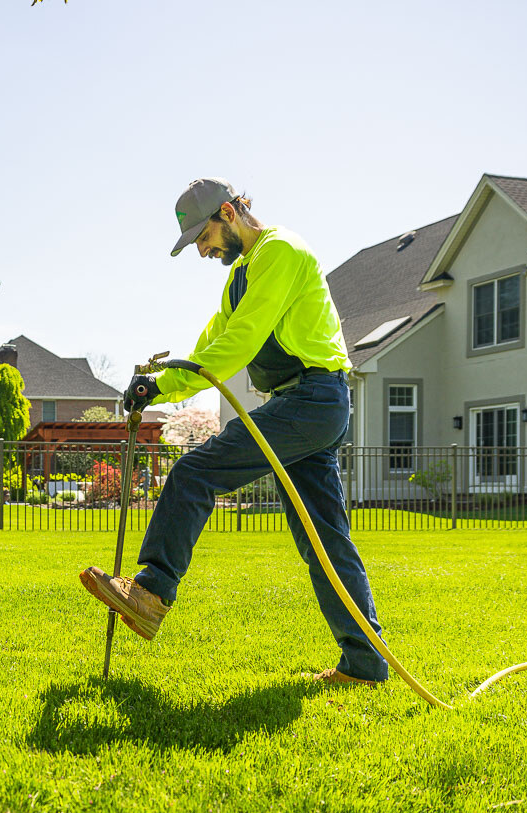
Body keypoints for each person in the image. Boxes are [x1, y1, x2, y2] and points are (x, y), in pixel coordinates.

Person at [79, 177, 389, 686]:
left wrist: (162, 386)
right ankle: (366, 663)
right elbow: (209, 351)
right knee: (325, 542)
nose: (202, 251)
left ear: (229, 212)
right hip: (303, 403)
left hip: (314, 397)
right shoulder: (239, 276)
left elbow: (242, 341)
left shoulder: (281, 252)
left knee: (195, 471)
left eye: (204, 238)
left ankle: (151, 592)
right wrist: (157, 386)